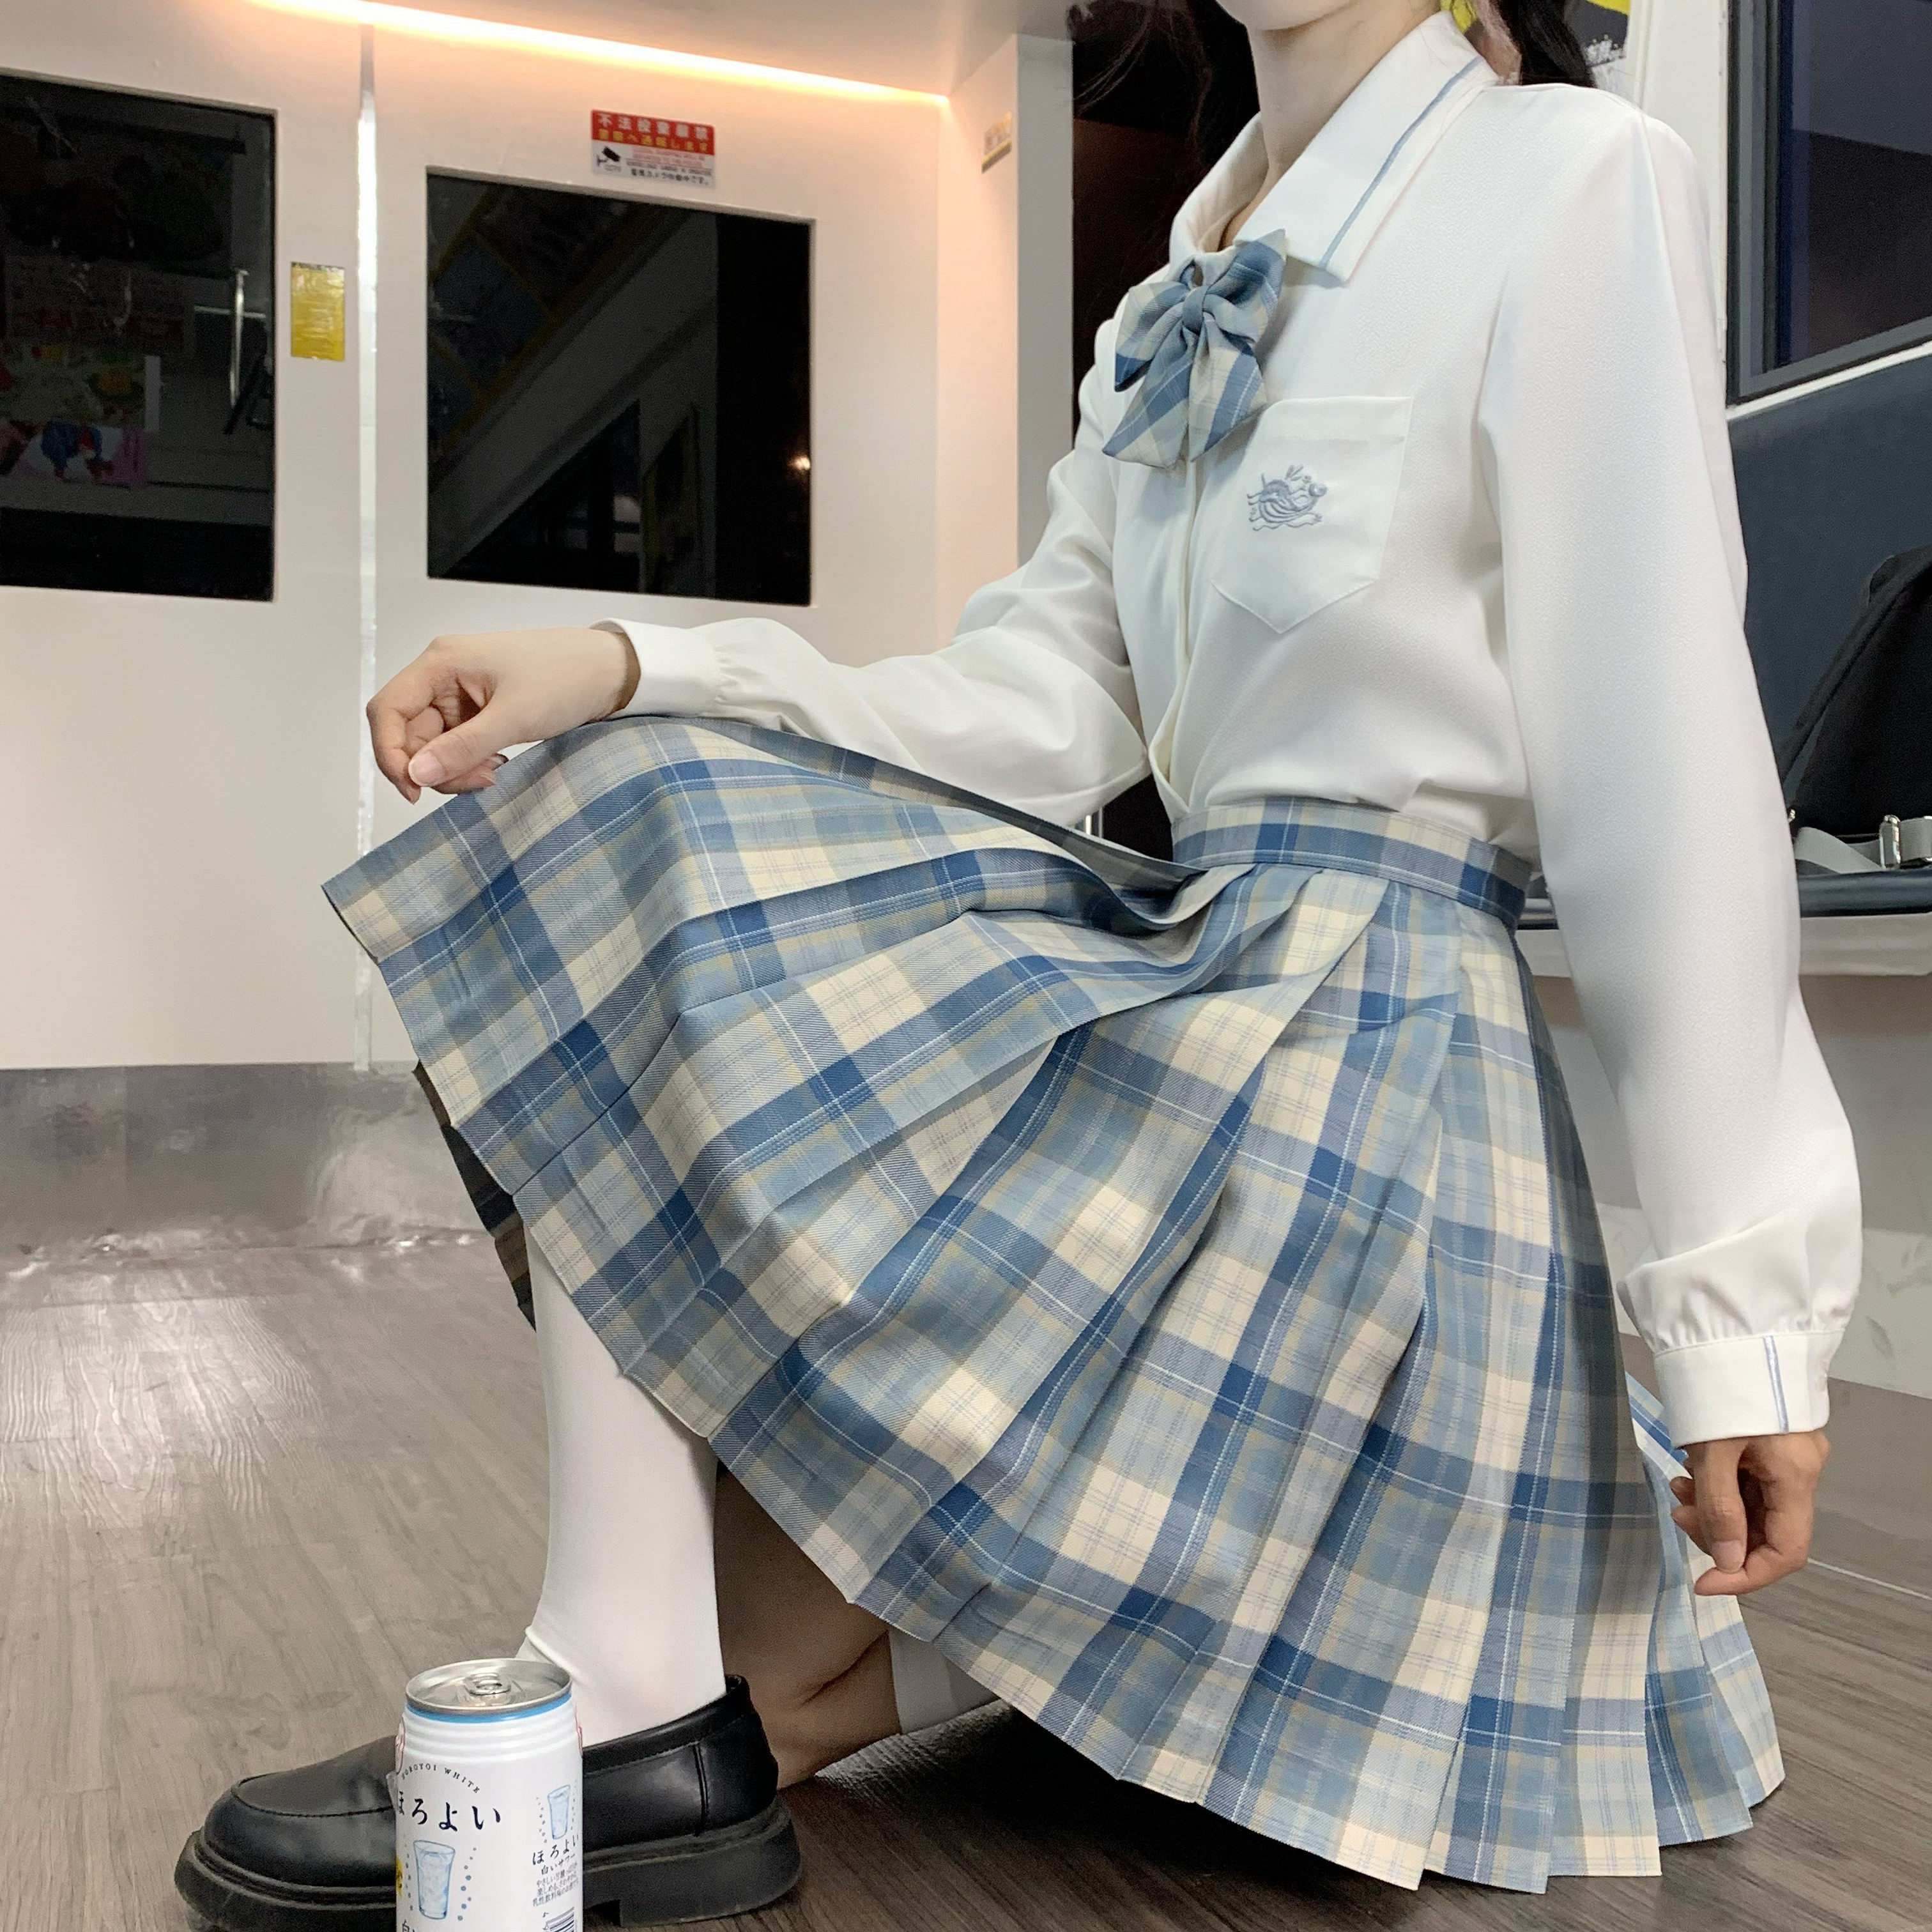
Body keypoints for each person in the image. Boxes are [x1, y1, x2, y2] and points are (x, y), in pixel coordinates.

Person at [176, 1, 1860, 1924]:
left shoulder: (1573, 174)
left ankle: (644, 1705)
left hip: (1374, 1083)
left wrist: (1741, 1317)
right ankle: (651, 1683)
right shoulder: (1177, 286)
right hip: (1201, 989)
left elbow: (1662, 767)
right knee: (618, 801)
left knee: (787, 1645)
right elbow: (1043, 694)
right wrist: (632, 667)